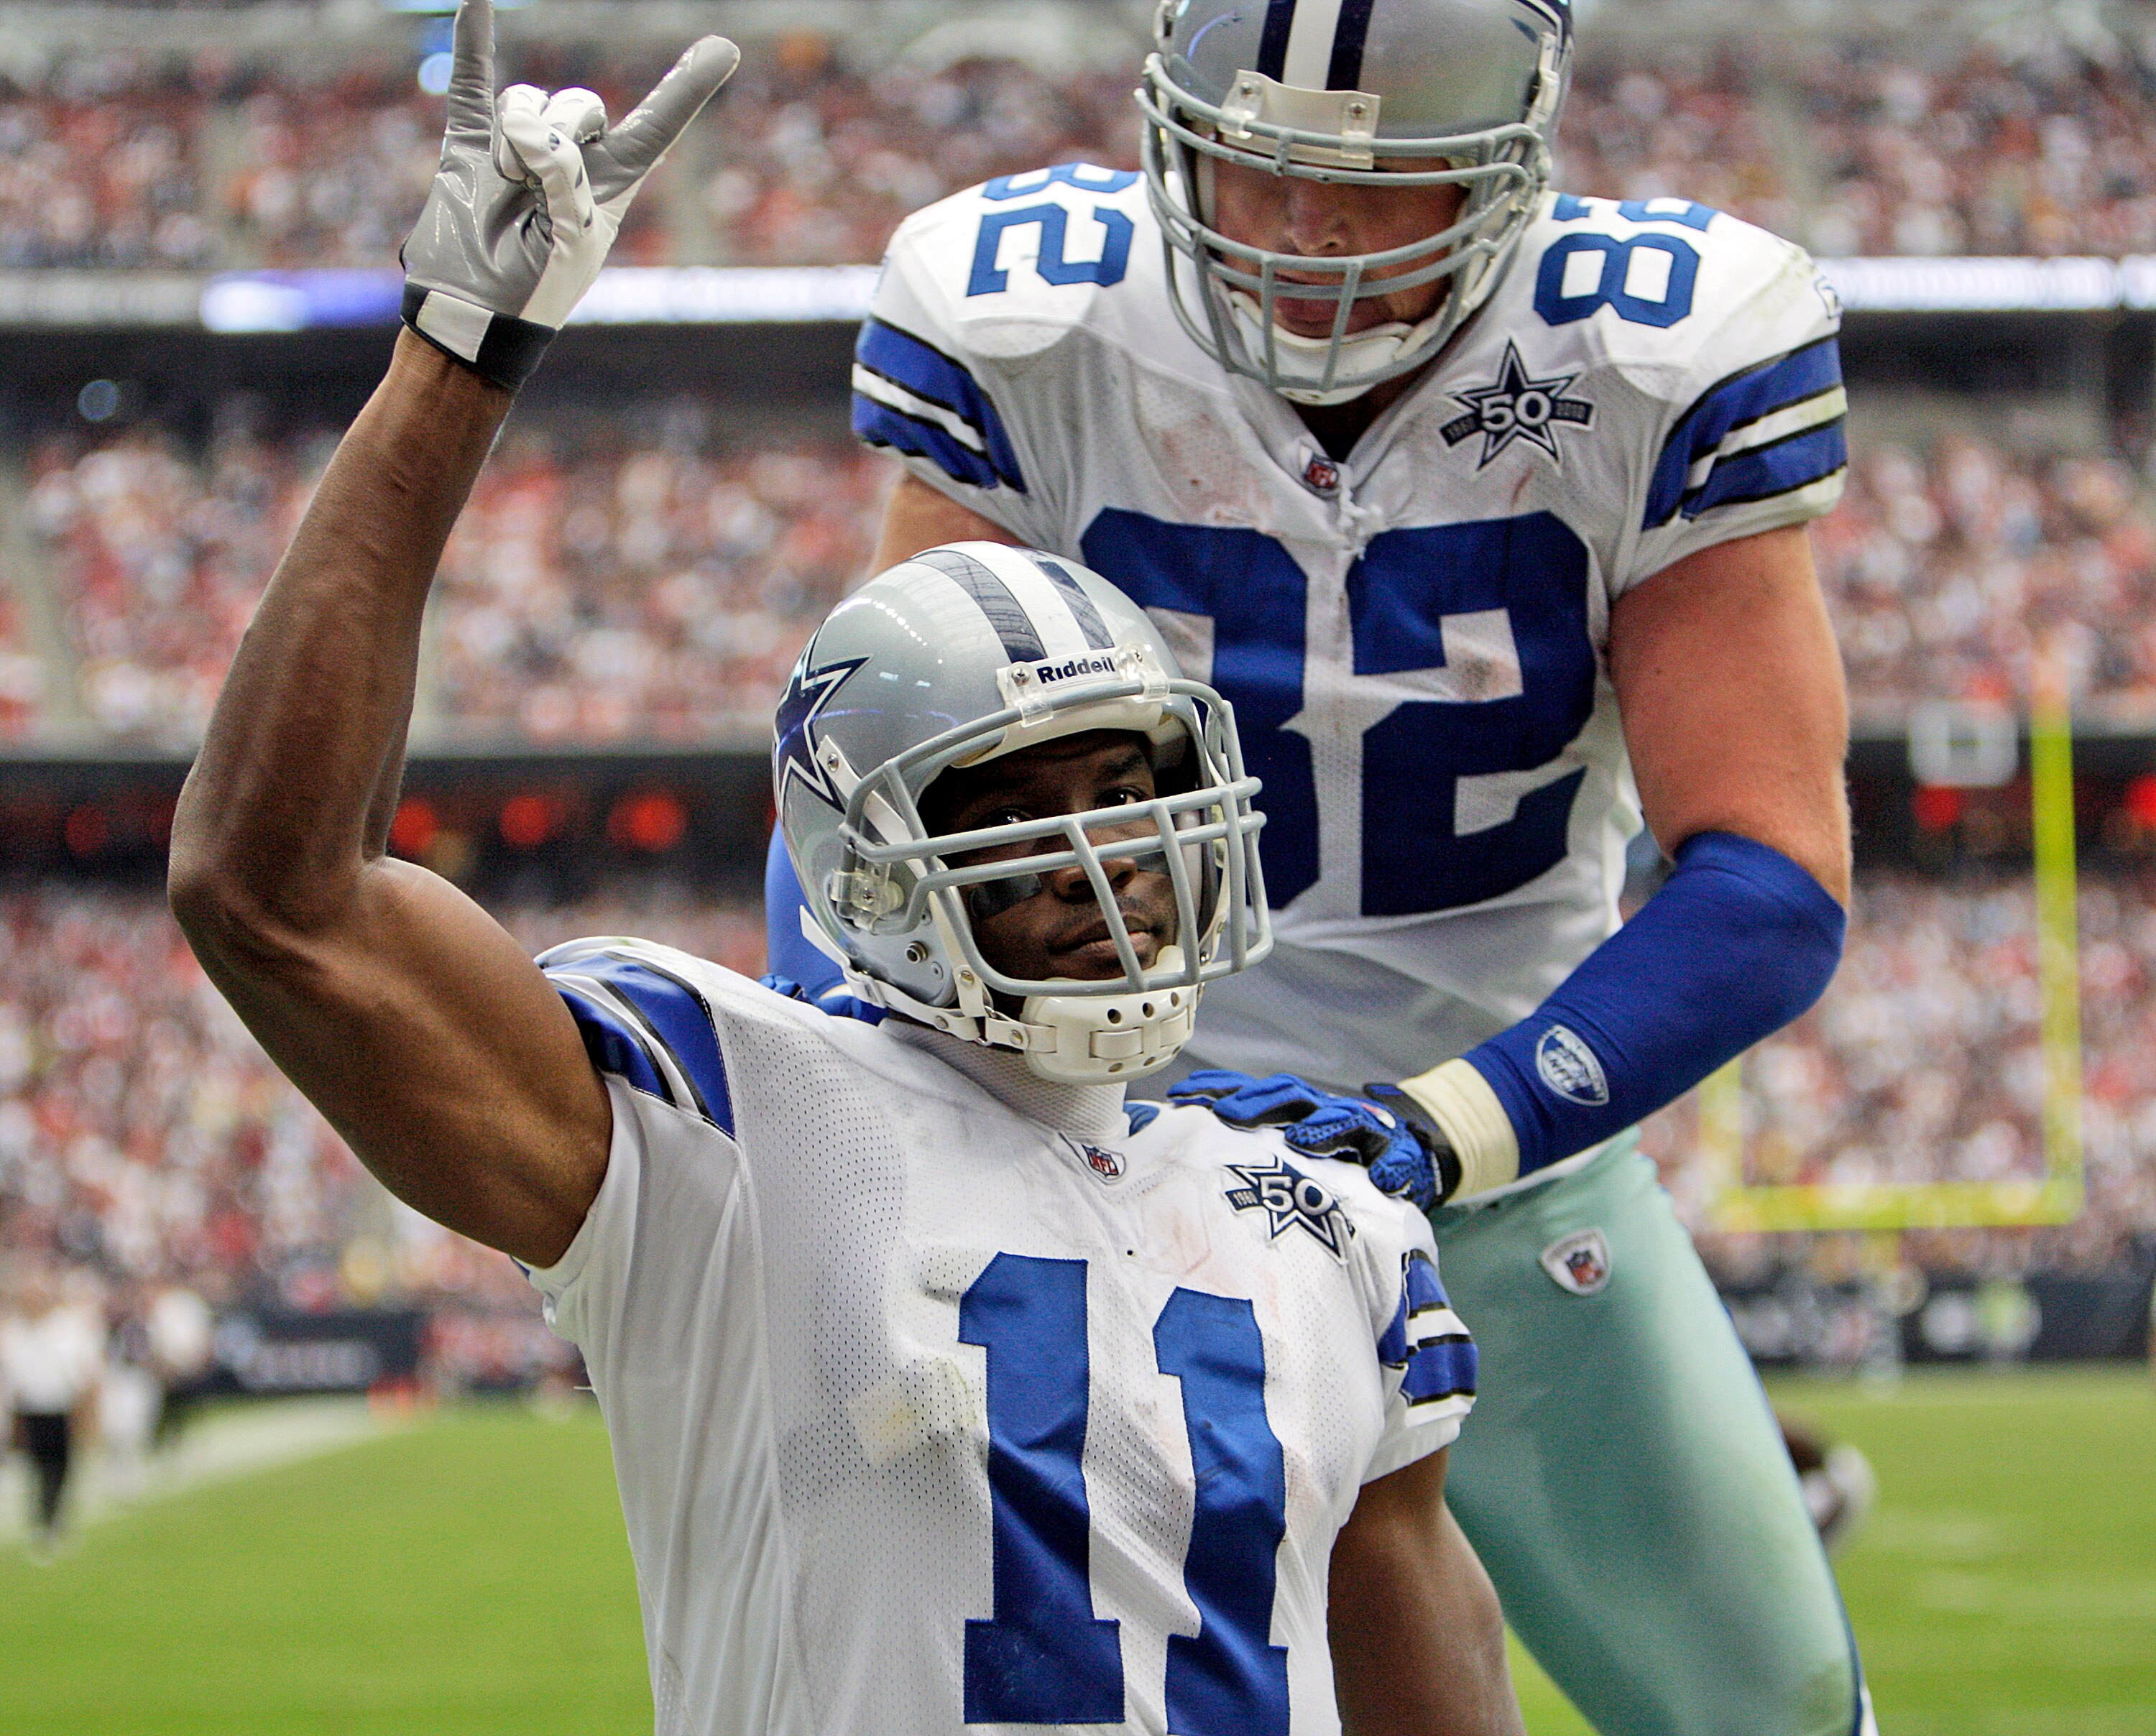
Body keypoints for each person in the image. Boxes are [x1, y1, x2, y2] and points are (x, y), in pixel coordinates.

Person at [166, 7, 1523, 1730]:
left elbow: (1431, 1680)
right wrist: (453, 359)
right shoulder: (735, 1121)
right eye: (1024, 814)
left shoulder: (1330, 1222)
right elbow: (271, 896)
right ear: (877, 870)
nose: (1110, 862)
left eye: (1134, 793)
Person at [768, 1, 1870, 1731]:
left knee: (1773, 1716)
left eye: (1380, 188)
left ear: (1513, 165)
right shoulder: (1033, 319)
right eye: (1254, 167)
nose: (1303, 236)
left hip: (1508, 1161)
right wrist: (857, 1152)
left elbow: (1767, 882)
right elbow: (869, 788)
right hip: (1102, 1162)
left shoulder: (1655, 351)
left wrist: (1449, 1123)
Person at [2, 1262, 106, 1557]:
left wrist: (87, 1414)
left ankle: (53, 1518)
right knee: (35, 1467)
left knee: (59, 1467)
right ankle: (42, 1518)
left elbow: (85, 1375)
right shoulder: (14, 1331)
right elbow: (12, 1380)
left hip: (61, 1409)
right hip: (30, 1410)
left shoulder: (66, 1329)